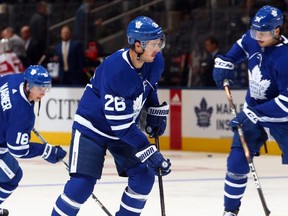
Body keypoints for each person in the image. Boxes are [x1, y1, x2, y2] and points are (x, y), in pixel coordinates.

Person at [51, 16, 171, 216]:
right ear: (137, 45)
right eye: (153, 44)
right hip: (92, 128)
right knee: (81, 186)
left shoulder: (155, 59)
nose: (158, 48)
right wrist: (149, 151)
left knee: (143, 177)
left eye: (160, 42)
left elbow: (150, 86)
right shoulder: (116, 70)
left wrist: (154, 109)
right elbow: (121, 126)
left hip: (124, 130)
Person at [212, 5, 288, 216]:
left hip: (282, 118)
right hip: (254, 110)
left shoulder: (286, 58)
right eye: (255, 31)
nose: (257, 36)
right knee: (236, 161)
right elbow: (240, 47)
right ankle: (230, 211)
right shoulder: (253, 37)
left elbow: (287, 103)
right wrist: (225, 62)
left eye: (262, 33)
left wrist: (251, 114)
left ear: (277, 31)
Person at [0, 65, 67, 216]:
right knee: (12, 176)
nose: (43, 93)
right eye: (39, 88)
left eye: (45, 88)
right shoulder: (22, 114)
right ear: (29, 85)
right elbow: (17, 149)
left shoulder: (15, 79)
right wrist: (45, 150)